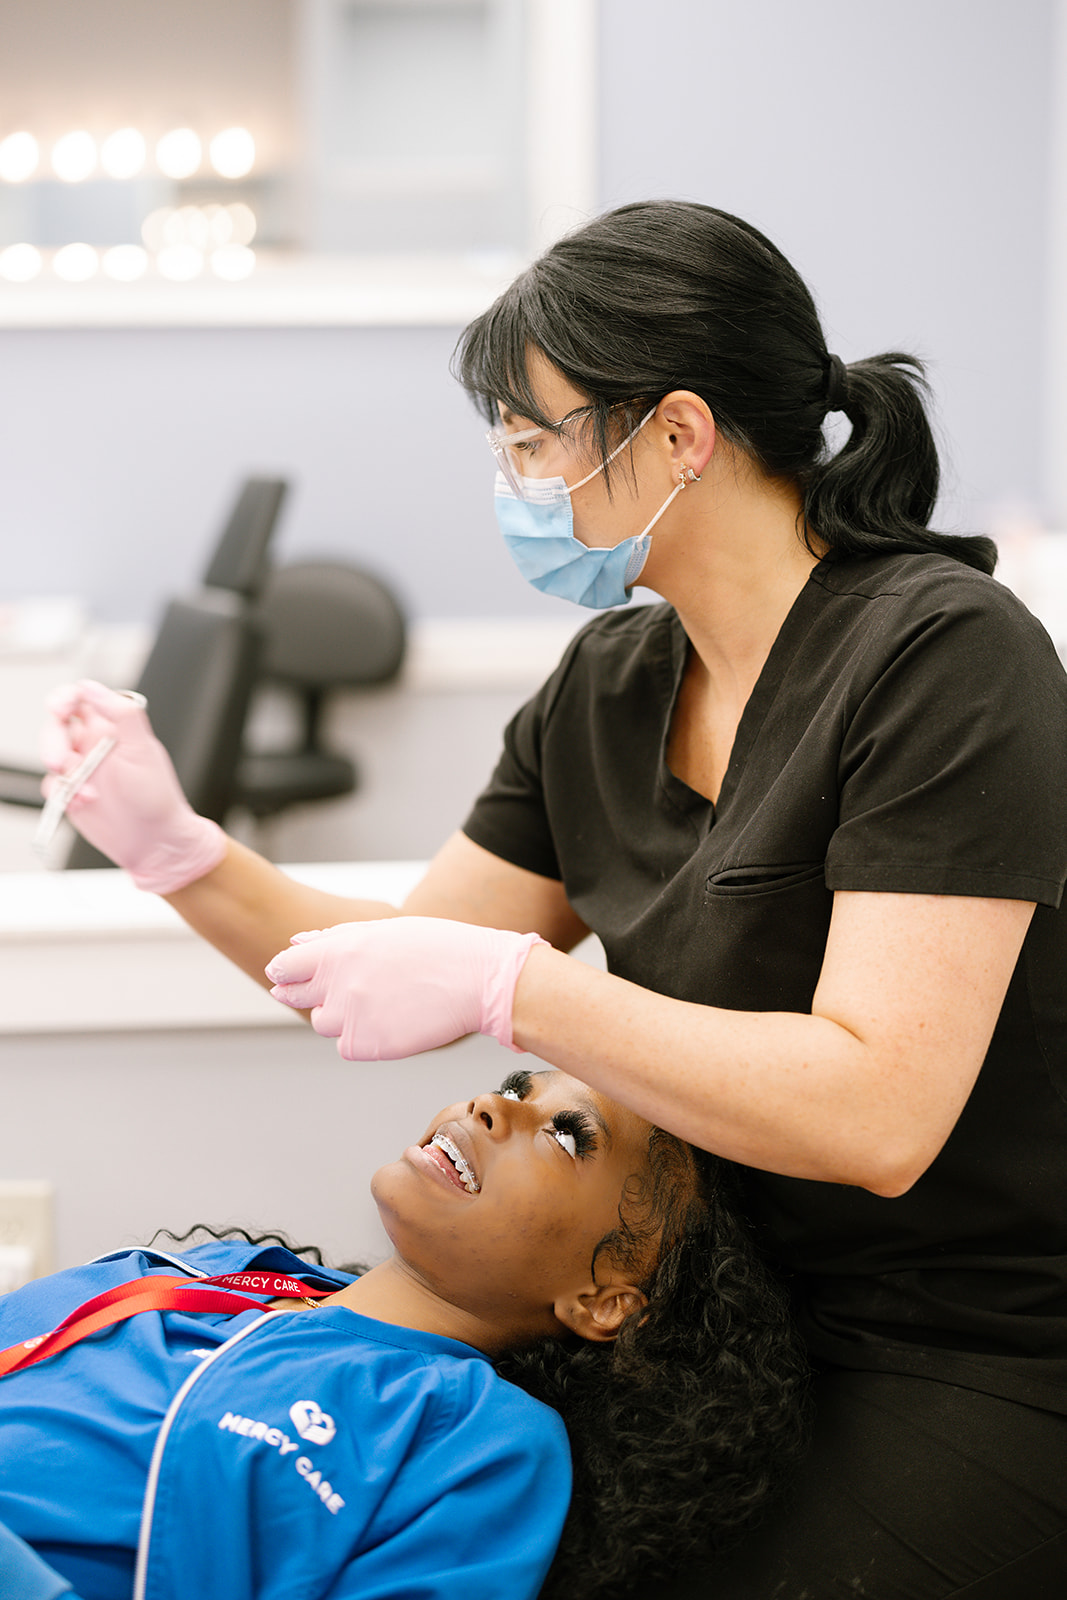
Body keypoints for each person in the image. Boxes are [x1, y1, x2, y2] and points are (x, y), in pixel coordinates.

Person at [41, 199, 1067, 1597]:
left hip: (958, 1341)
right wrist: (179, 853)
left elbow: (875, 1115)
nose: (515, 480)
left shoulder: (940, 658)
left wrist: (522, 991)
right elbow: (390, 961)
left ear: (679, 434)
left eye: (533, 441)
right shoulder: (609, 687)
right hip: (687, 1324)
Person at [0, 1066, 805, 1600]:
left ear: (602, 1301)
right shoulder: (207, 1271)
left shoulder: (482, 1445)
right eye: (515, 1084)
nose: (490, 1105)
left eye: (567, 1136)